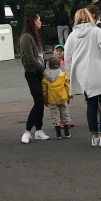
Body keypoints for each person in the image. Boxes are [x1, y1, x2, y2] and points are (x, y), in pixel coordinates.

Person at [64, 7, 101, 147]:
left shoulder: (72, 36)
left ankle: (94, 137)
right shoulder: (96, 31)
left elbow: (67, 58)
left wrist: (70, 76)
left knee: (91, 105)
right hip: (99, 72)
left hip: (83, 75)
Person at [20, 13, 50, 143]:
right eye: (39, 20)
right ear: (34, 22)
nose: (40, 22)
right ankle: (27, 131)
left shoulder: (33, 36)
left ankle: (39, 129)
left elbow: (39, 56)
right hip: (32, 72)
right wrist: (44, 70)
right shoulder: (26, 37)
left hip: (37, 72)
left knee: (40, 100)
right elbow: (30, 58)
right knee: (38, 101)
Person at [42, 57, 74, 138]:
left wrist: (45, 99)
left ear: (49, 65)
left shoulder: (46, 77)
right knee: (65, 115)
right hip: (63, 98)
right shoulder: (63, 74)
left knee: (55, 117)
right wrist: (69, 96)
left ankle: (58, 134)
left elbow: (44, 90)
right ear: (59, 64)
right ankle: (67, 133)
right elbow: (67, 86)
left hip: (52, 99)